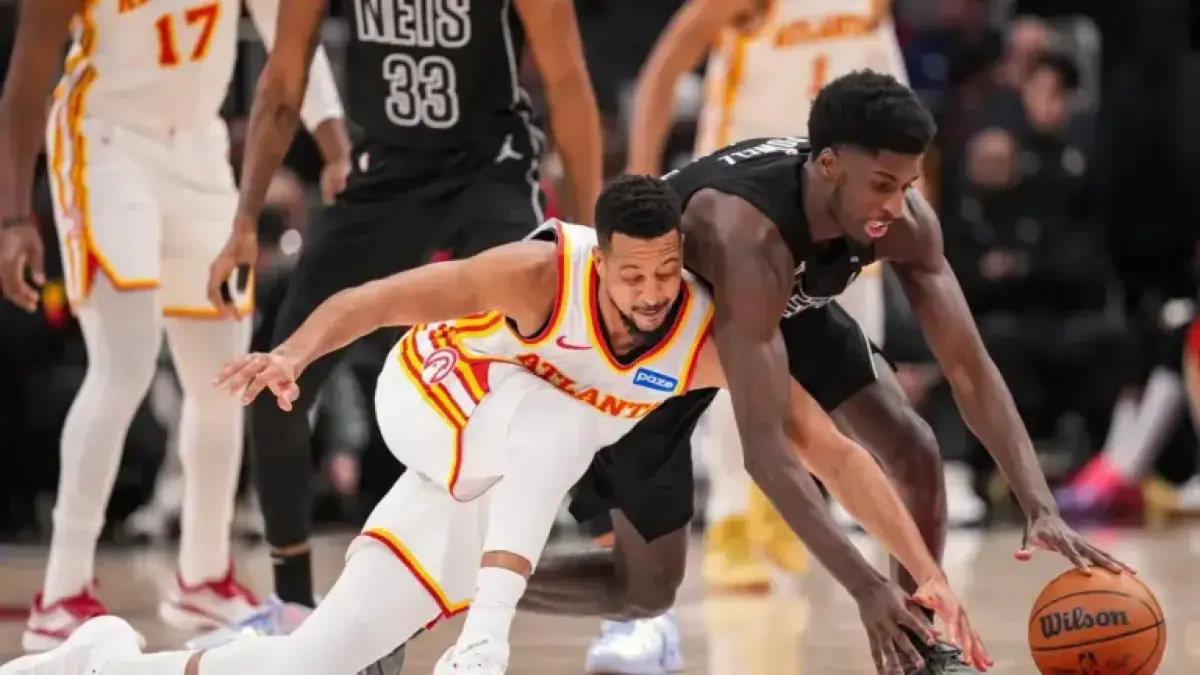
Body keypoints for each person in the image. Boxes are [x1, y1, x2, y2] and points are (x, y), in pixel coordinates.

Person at [521, 71, 1129, 675]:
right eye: (883, 185)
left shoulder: (900, 219)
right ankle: (480, 582)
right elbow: (766, 454)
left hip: (778, 309)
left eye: (908, 185)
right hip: (656, 343)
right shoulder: (744, 234)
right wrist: (864, 587)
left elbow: (968, 366)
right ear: (831, 165)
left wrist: (1038, 502)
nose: (896, 206)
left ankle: (917, 654)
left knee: (914, 449)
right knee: (643, 589)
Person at [199, 0, 604, 642]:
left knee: (569, 351)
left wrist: (589, 238)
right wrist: (245, 221)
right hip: (383, 172)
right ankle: (292, 601)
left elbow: (568, 81)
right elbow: (283, 79)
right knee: (277, 378)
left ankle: (621, 580)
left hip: (490, 170)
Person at [0, 0, 348, 649]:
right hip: (105, 144)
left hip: (200, 152)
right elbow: (26, 75)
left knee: (225, 378)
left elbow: (292, 43)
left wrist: (336, 147)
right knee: (124, 365)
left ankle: (204, 576)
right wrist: (13, 217)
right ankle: (62, 591)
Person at [622, 0, 913, 597]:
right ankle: (730, 518)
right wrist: (640, 184)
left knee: (847, 368)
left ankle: (785, 506)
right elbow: (663, 69)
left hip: (840, 201)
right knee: (740, 364)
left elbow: (888, 76)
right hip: (745, 200)